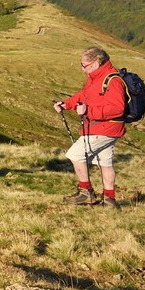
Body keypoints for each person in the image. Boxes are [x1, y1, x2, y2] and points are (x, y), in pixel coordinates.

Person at [54, 46, 126, 208]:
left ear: (95, 62)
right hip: (104, 128)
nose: (82, 69)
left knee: (75, 154)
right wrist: (67, 104)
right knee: (105, 163)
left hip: (104, 128)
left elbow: (118, 108)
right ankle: (110, 200)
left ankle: (86, 192)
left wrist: (89, 111)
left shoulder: (112, 80)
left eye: (84, 65)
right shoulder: (95, 77)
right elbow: (84, 95)